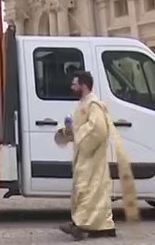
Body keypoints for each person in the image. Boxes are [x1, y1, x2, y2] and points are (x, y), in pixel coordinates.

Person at [54, 71, 138, 240]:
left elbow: (98, 130)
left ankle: (80, 225)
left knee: (88, 190)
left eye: (74, 84)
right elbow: (80, 128)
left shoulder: (94, 105)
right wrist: (68, 131)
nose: (72, 87)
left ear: (83, 85)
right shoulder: (83, 104)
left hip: (92, 157)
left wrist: (77, 133)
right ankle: (102, 226)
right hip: (84, 156)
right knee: (90, 191)